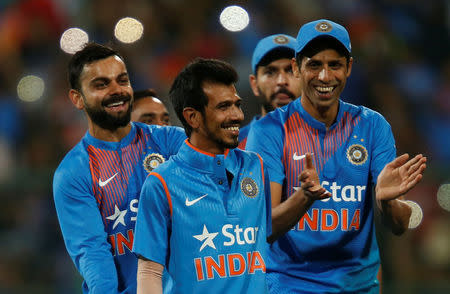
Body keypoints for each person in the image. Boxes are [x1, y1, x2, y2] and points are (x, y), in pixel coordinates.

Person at [246, 19, 427, 293]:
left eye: (335, 65)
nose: (325, 76)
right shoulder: (269, 130)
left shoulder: (372, 126)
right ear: (298, 68)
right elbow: (262, 227)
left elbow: (399, 225)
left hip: (358, 286)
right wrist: (303, 197)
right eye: (314, 64)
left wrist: (388, 202)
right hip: (291, 286)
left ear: (349, 67)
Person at [132, 58, 330, 294]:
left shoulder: (255, 165)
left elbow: (264, 232)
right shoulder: (162, 183)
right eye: (224, 107)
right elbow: (149, 270)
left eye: (237, 104)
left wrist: (304, 197)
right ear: (192, 117)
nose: (237, 115)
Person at [52, 42, 186, 294]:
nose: (117, 90)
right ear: (77, 99)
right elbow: (92, 253)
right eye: (101, 84)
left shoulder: (172, 142)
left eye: (122, 80)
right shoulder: (73, 172)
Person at [238, 34, 302, 149]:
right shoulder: (233, 148)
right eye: (270, 72)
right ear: (254, 84)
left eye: (291, 71)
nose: (281, 81)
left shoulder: (332, 140)